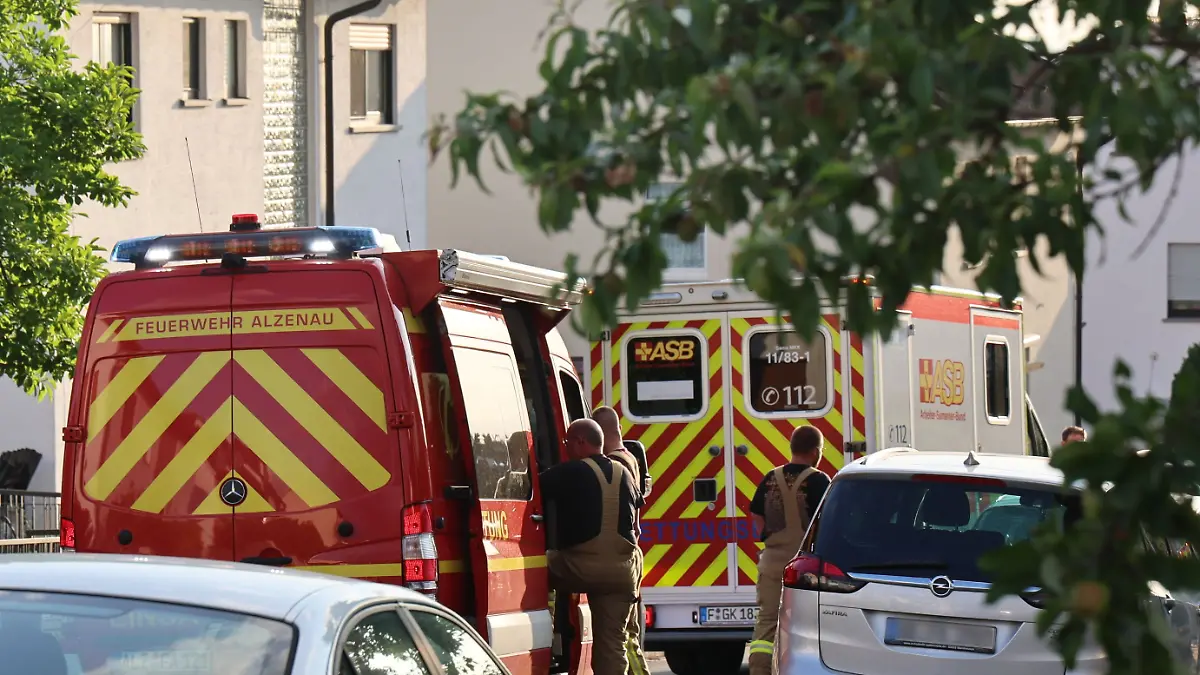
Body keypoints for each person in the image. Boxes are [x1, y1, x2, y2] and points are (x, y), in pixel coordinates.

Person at [540, 419, 643, 675]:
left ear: (581, 442)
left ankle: (546, 635)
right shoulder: (626, 475)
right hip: (622, 574)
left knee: (530, 567)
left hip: (580, 567)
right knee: (612, 646)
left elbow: (530, 488)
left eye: (567, 442)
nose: (565, 448)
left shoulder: (571, 471)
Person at [746, 426, 832, 675]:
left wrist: (767, 537)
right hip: (804, 568)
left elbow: (755, 512)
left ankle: (760, 670)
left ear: (792, 448)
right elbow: (827, 520)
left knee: (767, 624)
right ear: (816, 451)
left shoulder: (770, 478)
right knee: (806, 624)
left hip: (772, 564)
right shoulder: (819, 480)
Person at [592, 406, 650, 675]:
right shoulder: (629, 459)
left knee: (624, 637)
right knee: (628, 635)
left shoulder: (617, 465)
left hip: (623, 555)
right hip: (630, 555)